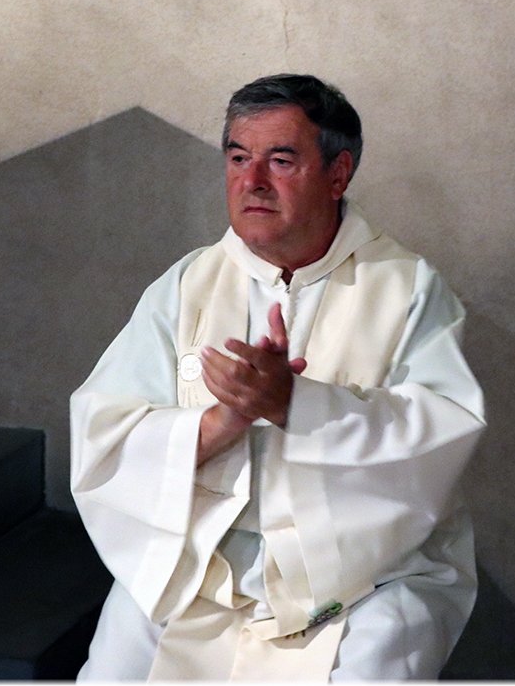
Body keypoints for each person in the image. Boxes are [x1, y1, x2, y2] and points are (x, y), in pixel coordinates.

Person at [70, 74, 485, 680]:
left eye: (281, 160)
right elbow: (104, 436)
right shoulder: (187, 286)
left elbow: (440, 439)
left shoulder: (406, 288)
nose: (252, 181)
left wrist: (297, 405)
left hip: (364, 578)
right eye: (239, 158)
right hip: (202, 565)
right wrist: (225, 419)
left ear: (338, 174)